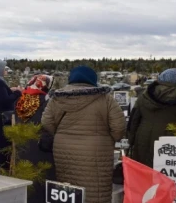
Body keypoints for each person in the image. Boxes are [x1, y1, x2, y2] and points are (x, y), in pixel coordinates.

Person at [41, 66, 126, 203]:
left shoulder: (57, 98)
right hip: (96, 150)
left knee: (68, 189)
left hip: (63, 148)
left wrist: (60, 134)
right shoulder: (105, 98)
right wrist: (109, 139)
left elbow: (46, 122)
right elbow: (119, 127)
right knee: (96, 191)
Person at [128, 68, 176, 168]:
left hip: (143, 137)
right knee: (166, 172)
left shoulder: (145, 94)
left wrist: (131, 140)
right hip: (171, 138)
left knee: (144, 171)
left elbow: (134, 119)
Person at [14, 74, 56, 203]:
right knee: (41, 182)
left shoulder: (20, 101)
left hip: (22, 147)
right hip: (40, 149)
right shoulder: (47, 102)